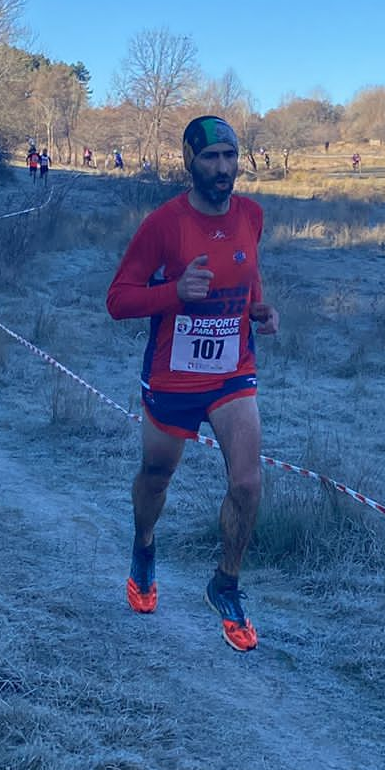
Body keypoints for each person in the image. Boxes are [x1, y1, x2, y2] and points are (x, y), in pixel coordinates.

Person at [106, 115, 278, 652]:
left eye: (230, 156)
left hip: (232, 373)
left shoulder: (252, 214)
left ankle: (225, 583)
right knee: (156, 477)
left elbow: (249, 270)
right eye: (211, 157)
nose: (223, 168)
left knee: (248, 484)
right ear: (189, 161)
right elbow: (119, 300)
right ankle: (144, 544)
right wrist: (175, 292)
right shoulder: (163, 223)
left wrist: (258, 309)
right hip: (173, 377)